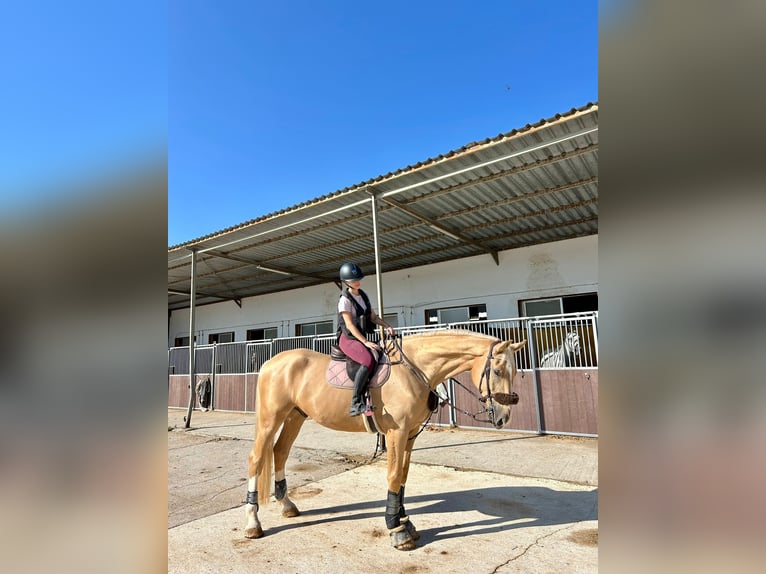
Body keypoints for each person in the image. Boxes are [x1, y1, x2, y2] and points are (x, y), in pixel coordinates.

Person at [337, 262, 396, 416]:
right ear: (345, 282)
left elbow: (373, 317)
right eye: (353, 280)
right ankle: (355, 403)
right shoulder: (344, 300)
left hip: (360, 337)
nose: (357, 282)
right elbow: (349, 325)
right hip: (348, 338)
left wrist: (387, 325)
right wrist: (365, 342)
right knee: (367, 360)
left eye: (358, 279)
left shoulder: (363, 295)